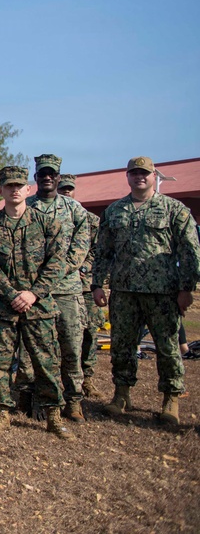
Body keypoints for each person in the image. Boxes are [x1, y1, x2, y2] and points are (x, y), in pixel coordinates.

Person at [93, 156, 200, 425]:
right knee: (123, 346)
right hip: (124, 291)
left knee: (167, 347)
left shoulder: (174, 209)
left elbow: (189, 250)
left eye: (145, 173)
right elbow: (103, 251)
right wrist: (97, 284)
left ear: (154, 176)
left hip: (162, 292)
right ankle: (121, 394)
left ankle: (170, 399)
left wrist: (187, 288)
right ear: (127, 177)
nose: (139, 177)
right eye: (134, 173)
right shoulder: (115, 211)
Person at [0, 166, 72, 439]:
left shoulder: (48, 224)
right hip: (2, 308)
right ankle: (3, 413)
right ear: (1, 191)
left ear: (28, 190)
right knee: (0, 363)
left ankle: (54, 415)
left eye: (19, 185)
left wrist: (33, 293)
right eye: (9, 186)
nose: (15, 190)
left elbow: (57, 263)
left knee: (47, 362)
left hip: (38, 306)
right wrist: (12, 295)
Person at [15, 155, 92, 422]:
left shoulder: (74, 210)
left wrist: (49, 276)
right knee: (31, 350)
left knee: (71, 348)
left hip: (66, 291)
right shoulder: (26, 207)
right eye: (42, 174)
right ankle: (28, 397)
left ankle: (73, 400)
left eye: (52, 174)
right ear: (35, 179)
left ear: (59, 177)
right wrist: (36, 284)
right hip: (33, 293)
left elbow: (79, 251)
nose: (47, 178)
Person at [58, 174, 105, 399]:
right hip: (53, 285)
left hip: (83, 286)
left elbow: (98, 250)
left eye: (69, 189)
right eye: (62, 188)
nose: (65, 192)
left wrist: (83, 268)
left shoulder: (89, 219)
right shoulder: (45, 215)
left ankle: (87, 378)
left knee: (88, 334)